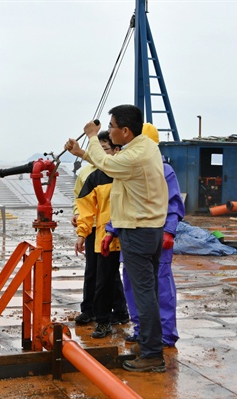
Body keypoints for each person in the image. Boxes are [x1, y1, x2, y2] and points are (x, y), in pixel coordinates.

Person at [64, 104, 168, 373]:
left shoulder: (134, 156)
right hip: (149, 230)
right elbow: (111, 167)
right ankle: (148, 344)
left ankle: (152, 355)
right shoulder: (144, 148)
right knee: (149, 292)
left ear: (125, 130)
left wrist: (90, 136)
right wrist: (84, 154)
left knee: (143, 294)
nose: (108, 131)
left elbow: (110, 163)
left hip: (138, 231)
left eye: (111, 127)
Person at [104, 123, 184, 349]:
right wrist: (111, 230)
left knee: (160, 288)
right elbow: (122, 202)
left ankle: (165, 334)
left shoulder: (163, 170)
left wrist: (169, 230)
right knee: (133, 285)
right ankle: (142, 330)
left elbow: (172, 203)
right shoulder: (130, 167)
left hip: (151, 234)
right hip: (132, 235)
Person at [72, 131, 129, 337]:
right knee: (102, 279)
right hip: (104, 237)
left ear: (117, 150)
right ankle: (102, 320)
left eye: (105, 149)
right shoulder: (94, 177)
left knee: (135, 281)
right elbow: (86, 208)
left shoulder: (128, 173)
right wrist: (82, 233)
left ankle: (130, 317)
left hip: (130, 235)